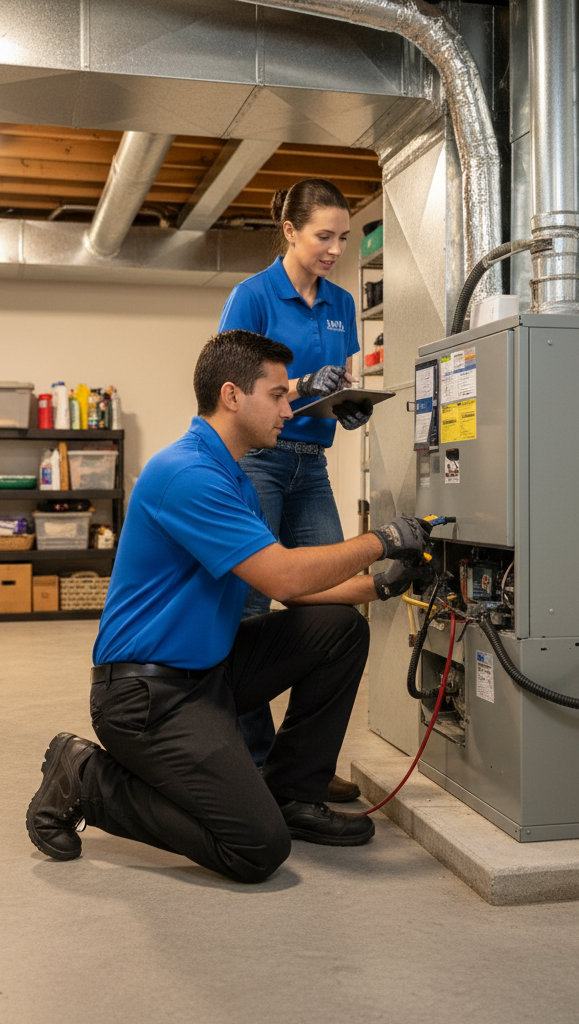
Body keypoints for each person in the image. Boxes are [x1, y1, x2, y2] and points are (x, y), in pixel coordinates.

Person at [25, 329, 432, 884]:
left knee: (338, 631)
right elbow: (285, 575)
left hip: (208, 673)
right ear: (232, 395)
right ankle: (87, 779)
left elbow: (281, 587)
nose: (291, 409)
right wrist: (385, 538)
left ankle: (294, 795)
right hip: (146, 697)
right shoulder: (187, 474)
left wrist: (379, 586)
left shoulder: (231, 478)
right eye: (279, 394)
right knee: (256, 848)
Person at [218, 178, 374, 799]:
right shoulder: (252, 296)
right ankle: (253, 764)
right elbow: (233, 384)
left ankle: (302, 764)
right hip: (259, 460)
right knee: (251, 610)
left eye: (342, 237)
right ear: (289, 231)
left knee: (333, 607)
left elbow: (336, 387)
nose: (335, 248)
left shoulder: (341, 303)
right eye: (323, 236)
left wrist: (347, 405)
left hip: (312, 463)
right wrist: (307, 386)